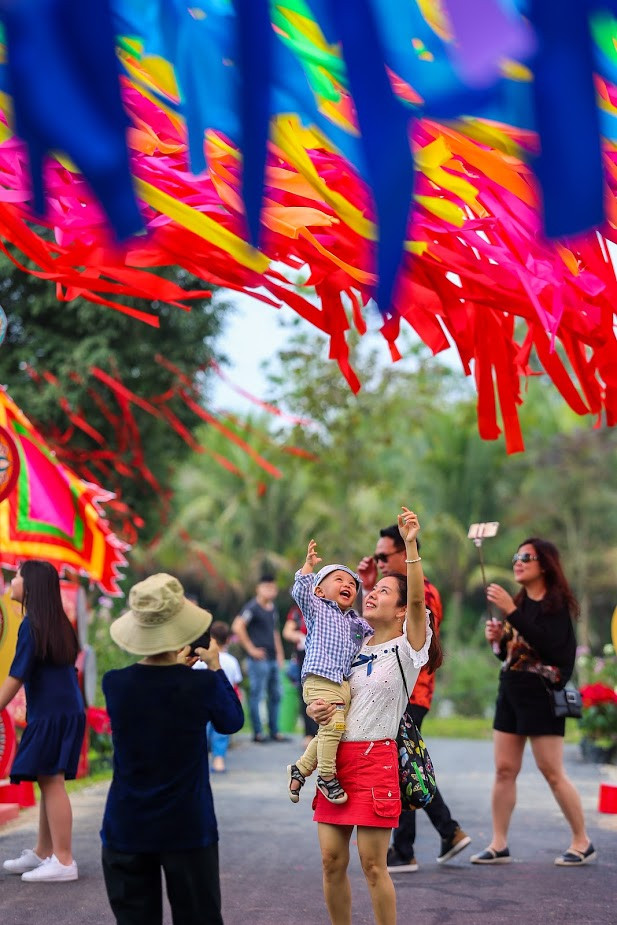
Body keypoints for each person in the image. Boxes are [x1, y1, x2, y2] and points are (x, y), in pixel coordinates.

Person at [308, 507, 443, 925]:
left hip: (376, 761)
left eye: (385, 592)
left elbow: (418, 597)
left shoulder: (407, 650)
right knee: (331, 861)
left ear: (402, 611)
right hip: (336, 762)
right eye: (374, 588)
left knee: (372, 865)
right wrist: (318, 708)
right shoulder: (350, 646)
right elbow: (331, 695)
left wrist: (410, 545)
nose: (373, 593)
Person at [100, 573, 244, 925]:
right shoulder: (201, 685)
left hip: (127, 825)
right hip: (187, 826)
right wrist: (213, 665)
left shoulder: (115, 684)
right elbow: (231, 721)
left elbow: (155, 690)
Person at [471, 538, 596, 867]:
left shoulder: (555, 608)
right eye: (516, 556)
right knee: (504, 770)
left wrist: (510, 612)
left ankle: (582, 840)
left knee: (552, 771)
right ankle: (498, 843)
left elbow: (554, 651)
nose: (518, 561)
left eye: (527, 557)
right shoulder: (521, 604)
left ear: (545, 565)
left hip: (541, 695)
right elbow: (514, 654)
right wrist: (498, 641)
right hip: (511, 689)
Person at [357, 525, 470, 872]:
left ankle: (405, 848)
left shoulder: (424, 594)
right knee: (406, 760)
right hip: (387, 691)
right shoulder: (385, 591)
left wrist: (408, 551)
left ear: (402, 554)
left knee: (400, 761)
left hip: (410, 692)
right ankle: (445, 832)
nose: (378, 562)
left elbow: (413, 621)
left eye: (382, 556)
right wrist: (368, 587)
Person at [0, 560, 85, 883]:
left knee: (52, 782)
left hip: (53, 713)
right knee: (48, 779)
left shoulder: (32, 625)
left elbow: (15, 677)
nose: (13, 579)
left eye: (19, 575)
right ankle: (44, 851)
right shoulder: (54, 623)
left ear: (30, 585)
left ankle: (63, 861)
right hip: (60, 710)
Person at [287, 541, 374, 804]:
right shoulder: (317, 609)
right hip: (319, 679)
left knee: (329, 730)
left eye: (352, 584)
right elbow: (301, 591)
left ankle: (300, 769)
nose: (347, 585)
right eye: (339, 580)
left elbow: (375, 636)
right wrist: (308, 566)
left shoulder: (357, 623)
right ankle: (326, 775)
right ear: (320, 591)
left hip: (341, 684)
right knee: (334, 725)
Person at [232, 573, 287, 742]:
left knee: (276, 694)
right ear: (258, 589)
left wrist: (280, 654)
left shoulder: (272, 608)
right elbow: (237, 626)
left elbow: (274, 632)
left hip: (272, 658)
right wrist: (251, 649)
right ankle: (257, 732)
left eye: (273, 588)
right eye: (267, 587)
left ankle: (274, 731)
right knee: (257, 694)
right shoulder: (252, 607)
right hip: (258, 660)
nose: (270, 591)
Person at [194, 620, 243, 773]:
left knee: (202, 731)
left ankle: (200, 759)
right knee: (221, 733)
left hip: (202, 701)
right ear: (228, 640)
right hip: (223, 700)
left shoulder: (200, 659)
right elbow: (235, 682)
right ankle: (219, 760)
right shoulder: (231, 661)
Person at [282, 603, 319, 747]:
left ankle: (322, 734)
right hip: (303, 657)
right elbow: (287, 631)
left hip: (323, 656)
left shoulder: (327, 607)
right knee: (305, 695)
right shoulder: (297, 611)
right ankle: (309, 734)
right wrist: (297, 635)